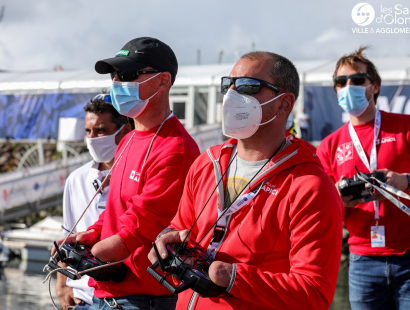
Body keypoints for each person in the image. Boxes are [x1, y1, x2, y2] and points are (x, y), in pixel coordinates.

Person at [149, 51, 344, 310]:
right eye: (227, 85)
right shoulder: (206, 163)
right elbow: (180, 226)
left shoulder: (311, 186)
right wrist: (166, 239)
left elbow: (313, 294)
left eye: (247, 87)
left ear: (284, 104)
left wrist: (233, 278)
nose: (231, 95)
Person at [54, 37, 200, 310]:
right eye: (115, 75)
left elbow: (140, 227)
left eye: (130, 74)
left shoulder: (176, 148)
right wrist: (89, 235)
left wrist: (90, 255)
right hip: (108, 295)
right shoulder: (128, 140)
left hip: (142, 300)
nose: (118, 81)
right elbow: (117, 213)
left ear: (163, 81)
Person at [316, 46, 410, 310]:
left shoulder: (405, 127)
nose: (348, 86)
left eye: (358, 80)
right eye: (341, 81)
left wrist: (405, 181)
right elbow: (322, 211)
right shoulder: (328, 146)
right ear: (335, 90)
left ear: (375, 87)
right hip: (362, 260)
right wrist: (339, 200)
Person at [56, 95, 132, 310]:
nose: (93, 137)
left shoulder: (135, 176)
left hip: (122, 296)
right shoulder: (76, 179)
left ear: (124, 130)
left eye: (101, 130)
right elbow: (67, 235)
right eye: (89, 131)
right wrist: (63, 285)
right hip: (82, 298)